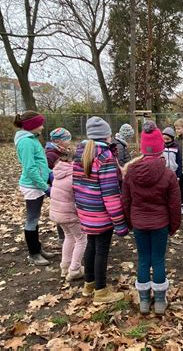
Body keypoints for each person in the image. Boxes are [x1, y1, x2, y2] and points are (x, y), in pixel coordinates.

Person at [122, 121, 181, 315]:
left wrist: (130, 222)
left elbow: (126, 200)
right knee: (158, 260)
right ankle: (160, 301)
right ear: (160, 147)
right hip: (160, 224)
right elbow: (174, 205)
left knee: (143, 259)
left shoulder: (130, 172)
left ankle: (145, 300)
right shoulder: (168, 174)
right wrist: (173, 226)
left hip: (139, 223)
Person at [72, 116, 128, 304]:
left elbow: (77, 186)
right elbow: (111, 195)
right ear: (107, 136)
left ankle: (89, 284)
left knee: (91, 246)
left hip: (85, 211)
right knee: (101, 250)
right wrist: (120, 223)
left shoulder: (80, 154)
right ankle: (101, 292)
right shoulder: (106, 158)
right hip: (101, 214)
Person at [14, 110, 55, 266]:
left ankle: (37, 248)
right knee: (32, 219)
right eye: (40, 124)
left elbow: (40, 163)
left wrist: (50, 174)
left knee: (35, 218)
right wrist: (45, 187)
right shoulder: (26, 142)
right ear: (32, 125)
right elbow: (30, 168)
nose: (42, 127)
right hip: (33, 186)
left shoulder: (32, 139)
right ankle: (33, 254)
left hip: (36, 184)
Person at [49, 152, 87, 282]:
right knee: (81, 239)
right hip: (69, 214)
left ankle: (65, 266)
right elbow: (80, 198)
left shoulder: (58, 174)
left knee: (69, 236)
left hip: (57, 213)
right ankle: (75, 269)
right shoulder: (73, 177)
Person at [45, 127, 73, 244]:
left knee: (65, 210)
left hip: (63, 186)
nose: (69, 142)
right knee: (61, 210)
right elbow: (50, 171)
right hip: (58, 187)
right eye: (67, 139)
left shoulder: (61, 151)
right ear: (58, 141)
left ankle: (66, 235)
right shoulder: (51, 155)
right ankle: (63, 237)